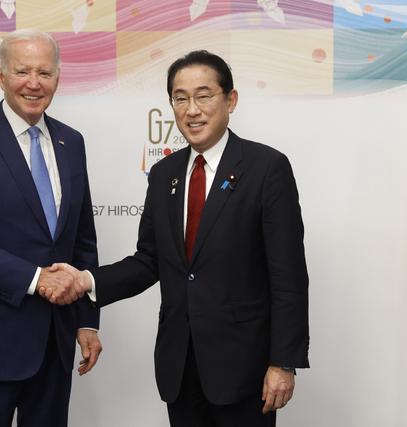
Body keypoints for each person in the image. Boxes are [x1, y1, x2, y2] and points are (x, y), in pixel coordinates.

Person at [43, 50, 309, 426]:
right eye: (180, 98)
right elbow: (149, 260)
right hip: (180, 367)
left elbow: (288, 277)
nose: (192, 110)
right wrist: (87, 280)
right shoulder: (164, 173)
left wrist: (283, 362)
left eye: (204, 95)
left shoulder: (267, 168)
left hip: (244, 368)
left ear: (230, 100)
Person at [0, 29, 102, 427]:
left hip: (54, 344)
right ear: (1, 75)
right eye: (22, 71)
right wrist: (36, 279)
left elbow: (81, 239)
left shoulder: (71, 142)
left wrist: (86, 320)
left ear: (57, 78)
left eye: (44, 72)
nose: (33, 83)